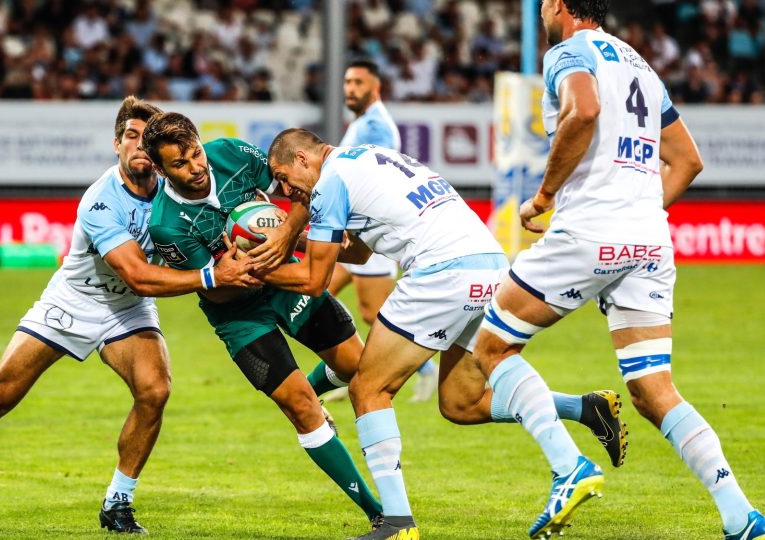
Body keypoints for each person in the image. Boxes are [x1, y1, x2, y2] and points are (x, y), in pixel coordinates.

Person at [0, 97, 260, 534]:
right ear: (116, 144)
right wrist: (211, 277)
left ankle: (118, 502)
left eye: (144, 138)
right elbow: (138, 275)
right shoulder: (101, 200)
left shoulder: (176, 192)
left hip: (127, 311)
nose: (137, 146)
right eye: (129, 136)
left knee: (154, 390)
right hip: (73, 301)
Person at [473, 1, 765, 540]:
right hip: (650, 239)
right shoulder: (641, 65)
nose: (542, 10)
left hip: (590, 229)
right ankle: (742, 517)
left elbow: (584, 111)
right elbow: (688, 160)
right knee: (653, 390)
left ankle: (569, 469)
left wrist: (543, 196)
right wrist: (639, 216)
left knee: (492, 348)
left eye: (545, 2)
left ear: (562, 7)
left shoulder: (568, 52)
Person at [261, 128, 624, 540]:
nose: (287, 193)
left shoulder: (328, 184)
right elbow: (360, 252)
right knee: (460, 403)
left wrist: (248, 268)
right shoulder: (365, 158)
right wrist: (310, 237)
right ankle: (583, 415)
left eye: (285, 178)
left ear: (303, 160)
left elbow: (313, 281)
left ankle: (397, 524)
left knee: (368, 389)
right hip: (489, 264)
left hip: (441, 275)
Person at [141, 112, 385, 530]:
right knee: (301, 408)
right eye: (179, 165)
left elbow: (302, 187)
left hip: (287, 279)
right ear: (161, 171)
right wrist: (237, 269)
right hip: (238, 316)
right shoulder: (166, 225)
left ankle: (312, 384)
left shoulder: (231, 153)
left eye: (195, 153)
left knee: (359, 371)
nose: (196, 167)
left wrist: (285, 235)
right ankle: (379, 514)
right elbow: (215, 290)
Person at [313, 59, 439, 405]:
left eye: (358, 82)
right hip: (349, 233)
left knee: (375, 314)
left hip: (367, 235)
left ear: (375, 87)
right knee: (317, 290)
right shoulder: (363, 123)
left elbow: (378, 179)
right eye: (347, 82)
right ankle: (347, 368)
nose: (350, 88)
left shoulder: (376, 128)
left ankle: (426, 369)